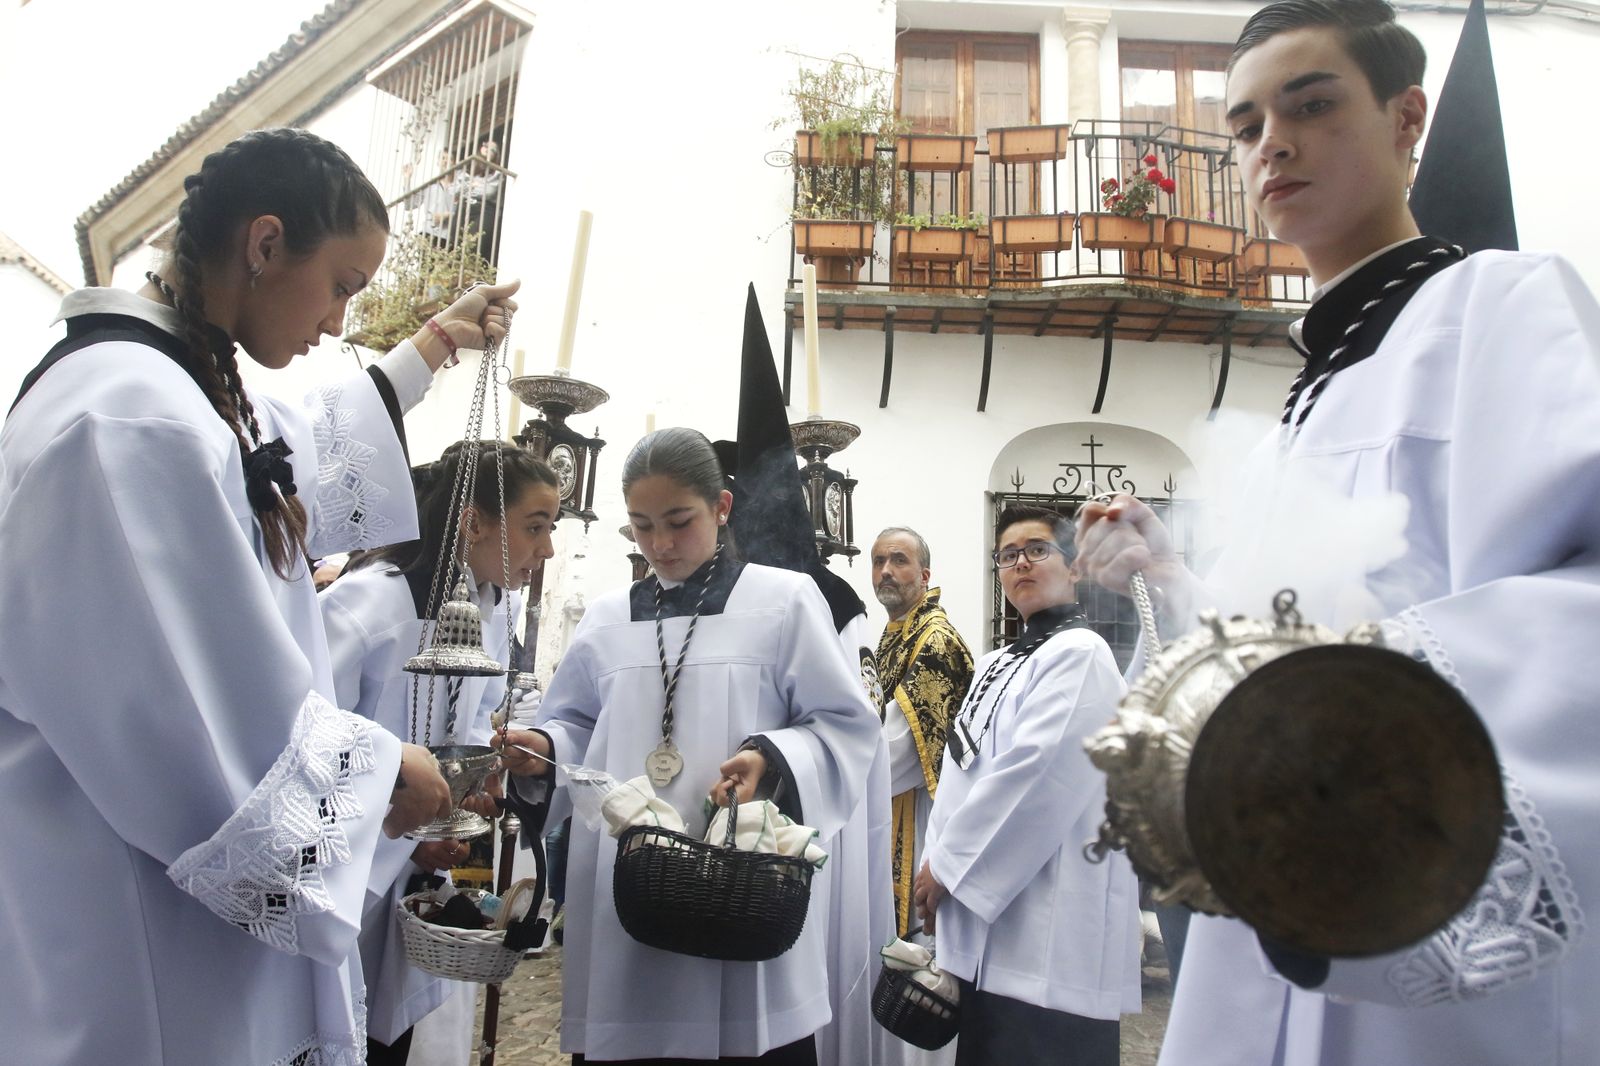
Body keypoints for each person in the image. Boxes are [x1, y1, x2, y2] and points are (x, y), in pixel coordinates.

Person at [1074, 4, 1600, 1064]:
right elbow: (1269, 633)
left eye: (1310, 105)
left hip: (1417, 895)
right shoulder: (1292, 419)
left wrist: (1332, 716)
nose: (1272, 140)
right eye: (1246, 122)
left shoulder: (1501, 306)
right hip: (1270, 903)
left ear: (1406, 120)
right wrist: (1173, 587)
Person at [0, 126, 520, 1064]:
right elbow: (191, 726)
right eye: (342, 286)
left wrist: (437, 342)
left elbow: (309, 446)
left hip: (178, 932)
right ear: (265, 243)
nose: (336, 321)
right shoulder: (126, 421)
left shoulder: (187, 388)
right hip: (136, 945)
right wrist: (378, 777)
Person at [497, 427, 879, 1063]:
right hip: (626, 889)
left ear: (722, 507)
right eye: (642, 526)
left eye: (679, 521)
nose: (661, 545)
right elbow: (577, 728)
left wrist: (771, 756)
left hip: (739, 882)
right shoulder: (606, 618)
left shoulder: (781, 600)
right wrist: (539, 746)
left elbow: (843, 723)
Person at [321, 441, 560, 1064]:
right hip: (340, 872)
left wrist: (471, 786)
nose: (548, 550)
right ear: (472, 521)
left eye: (552, 529)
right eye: (535, 527)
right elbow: (305, 730)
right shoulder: (367, 606)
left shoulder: (492, 606)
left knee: (391, 1038)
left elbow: (476, 719)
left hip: (411, 872)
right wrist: (397, 801)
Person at [913, 506, 1141, 1066]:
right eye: (1008, 555)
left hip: (1049, 921)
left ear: (1075, 566)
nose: (1020, 563)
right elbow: (962, 770)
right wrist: (936, 856)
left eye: (1037, 549)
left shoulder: (1081, 653)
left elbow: (1037, 772)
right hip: (983, 911)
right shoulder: (995, 661)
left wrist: (949, 865)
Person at [870, 527, 973, 945]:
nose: (886, 571)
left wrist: (836, 775)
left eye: (899, 560)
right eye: (878, 562)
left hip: (917, 807)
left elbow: (903, 748)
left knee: (913, 943)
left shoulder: (933, 639)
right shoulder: (895, 632)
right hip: (889, 799)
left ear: (925, 575)